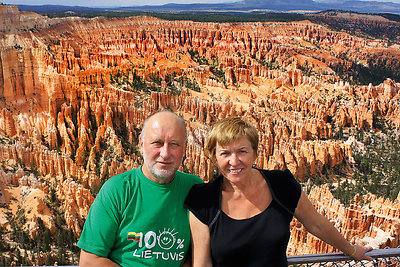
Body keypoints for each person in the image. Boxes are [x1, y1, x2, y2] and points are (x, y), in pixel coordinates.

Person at [184, 117, 373, 267]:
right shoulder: (203, 200)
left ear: (255, 153)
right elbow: (202, 263)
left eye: (242, 151)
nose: (234, 161)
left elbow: (316, 224)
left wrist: (351, 250)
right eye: (225, 153)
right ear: (214, 158)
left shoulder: (281, 185)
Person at [77, 110, 203, 267]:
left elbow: (201, 252)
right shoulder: (118, 190)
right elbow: (90, 261)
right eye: (157, 143)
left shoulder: (196, 189)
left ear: (184, 148)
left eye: (174, 144)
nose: (165, 153)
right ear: (142, 145)